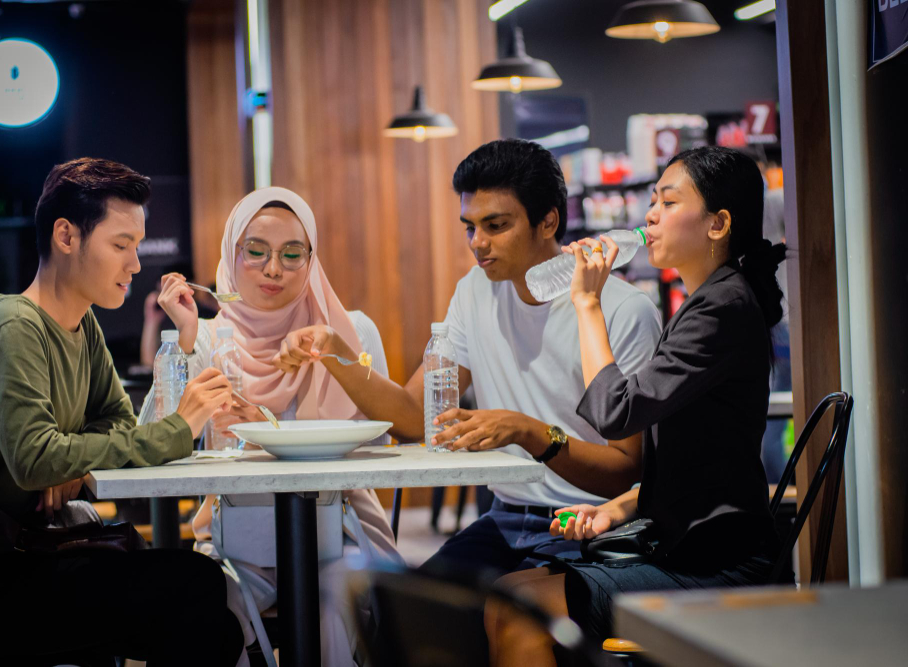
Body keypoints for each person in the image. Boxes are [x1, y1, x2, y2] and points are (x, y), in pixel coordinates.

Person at [0, 158, 244, 665]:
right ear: (66, 236)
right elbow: (34, 460)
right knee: (193, 586)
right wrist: (178, 429)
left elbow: (116, 424)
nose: (135, 265)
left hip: (27, 553)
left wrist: (72, 459)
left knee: (215, 624)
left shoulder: (83, 326)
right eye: (121, 245)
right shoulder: (13, 326)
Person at [277, 139, 662, 576]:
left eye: (496, 225)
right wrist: (336, 351)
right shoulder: (475, 291)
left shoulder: (623, 310)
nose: (477, 243)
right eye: (469, 227)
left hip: (594, 525)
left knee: (504, 618)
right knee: (405, 613)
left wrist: (527, 431)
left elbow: (625, 471)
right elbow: (412, 418)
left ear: (549, 221)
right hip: (507, 518)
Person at [488, 146, 789, 666]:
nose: (650, 214)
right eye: (652, 200)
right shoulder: (710, 301)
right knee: (506, 591)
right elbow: (698, 463)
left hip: (719, 566)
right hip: (690, 547)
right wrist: (615, 509)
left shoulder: (722, 308)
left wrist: (586, 302)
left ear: (718, 224)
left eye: (669, 203)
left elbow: (615, 412)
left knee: (520, 608)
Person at [140, 186, 402, 666]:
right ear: (231, 254)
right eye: (256, 252)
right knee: (201, 612)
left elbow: (383, 440)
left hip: (339, 533)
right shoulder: (209, 340)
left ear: (312, 259)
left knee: (338, 604)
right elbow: (153, 440)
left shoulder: (349, 332)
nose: (273, 269)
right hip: (234, 543)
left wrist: (329, 366)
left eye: (292, 254)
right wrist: (184, 338)